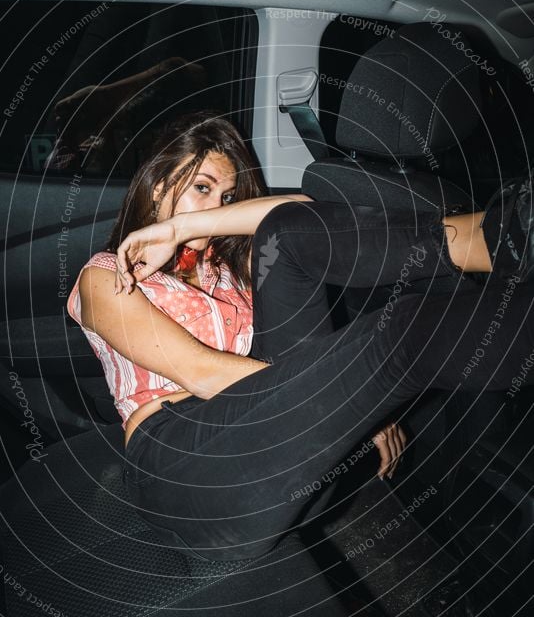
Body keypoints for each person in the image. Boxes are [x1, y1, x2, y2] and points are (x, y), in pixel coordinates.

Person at [70, 110, 534, 561]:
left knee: (287, 233)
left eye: (227, 197)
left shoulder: (227, 270)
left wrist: (184, 224)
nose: (218, 206)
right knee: (402, 336)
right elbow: (201, 372)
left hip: (282, 447)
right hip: (183, 470)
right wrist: (358, 406)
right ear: (157, 188)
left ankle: (499, 237)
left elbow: (306, 214)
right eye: (202, 188)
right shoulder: (107, 275)